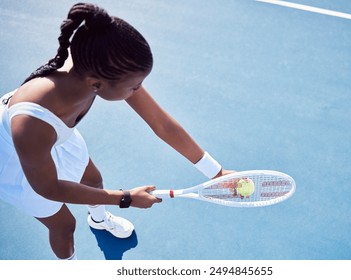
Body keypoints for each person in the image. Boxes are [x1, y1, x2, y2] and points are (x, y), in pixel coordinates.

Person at [0, 3, 230, 260]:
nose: (138, 90)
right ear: (96, 84)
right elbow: (49, 188)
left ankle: (98, 221)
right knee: (65, 226)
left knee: (94, 180)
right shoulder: (32, 124)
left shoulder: (96, 67)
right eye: (135, 86)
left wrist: (216, 172)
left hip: (54, 138)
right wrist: (126, 198)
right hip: (17, 162)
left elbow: (161, 123)